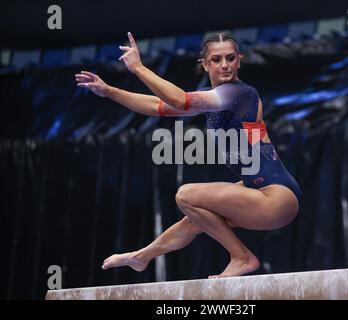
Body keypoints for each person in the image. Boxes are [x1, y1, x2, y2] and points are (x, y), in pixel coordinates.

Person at [75, 32, 301, 279]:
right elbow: (156, 106)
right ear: (205, 64)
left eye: (230, 58)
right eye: (216, 59)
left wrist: (138, 68)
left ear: (239, 60)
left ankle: (242, 257)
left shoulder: (240, 94)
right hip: (258, 191)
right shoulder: (215, 99)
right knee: (194, 219)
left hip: (276, 196)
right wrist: (109, 91)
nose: (224, 64)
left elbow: (180, 100)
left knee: (186, 195)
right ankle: (141, 257)